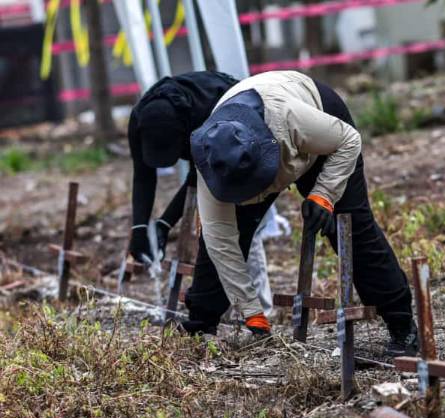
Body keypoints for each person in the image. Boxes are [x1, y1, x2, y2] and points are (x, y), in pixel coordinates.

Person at [188, 70, 418, 357]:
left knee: (352, 229)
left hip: (324, 131)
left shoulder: (289, 117)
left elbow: (349, 140)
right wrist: (251, 312)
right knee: (217, 242)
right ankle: (200, 325)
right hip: (254, 155)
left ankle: (403, 328)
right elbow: (219, 239)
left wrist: (324, 195)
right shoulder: (213, 159)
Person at [127, 71, 277, 327]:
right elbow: (143, 176)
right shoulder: (139, 120)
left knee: (241, 220)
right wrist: (140, 228)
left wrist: (165, 222)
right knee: (214, 230)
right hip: (203, 137)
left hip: (241, 135)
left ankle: (258, 311)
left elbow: (198, 175)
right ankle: (225, 306)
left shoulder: (206, 116)